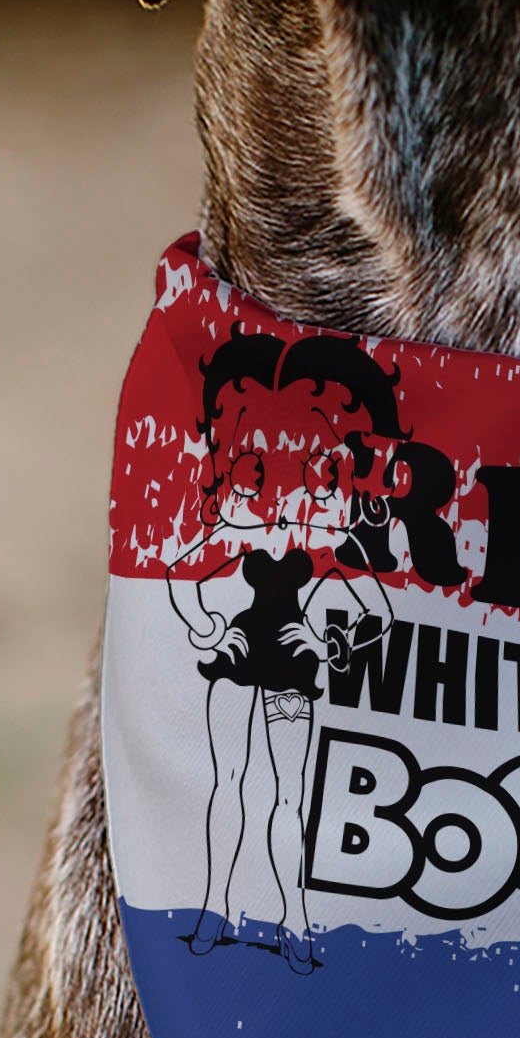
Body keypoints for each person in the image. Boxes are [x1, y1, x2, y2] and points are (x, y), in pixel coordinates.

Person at [164, 331, 404, 972]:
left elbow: (378, 615)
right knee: (227, 785)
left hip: (292, 668)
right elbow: (178, 571)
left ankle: (294, 918)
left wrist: (328, 646)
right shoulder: (243, 528)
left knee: (289, 798)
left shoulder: (327, 540)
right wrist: (208, 631)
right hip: (239, 665)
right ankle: (215, 907)